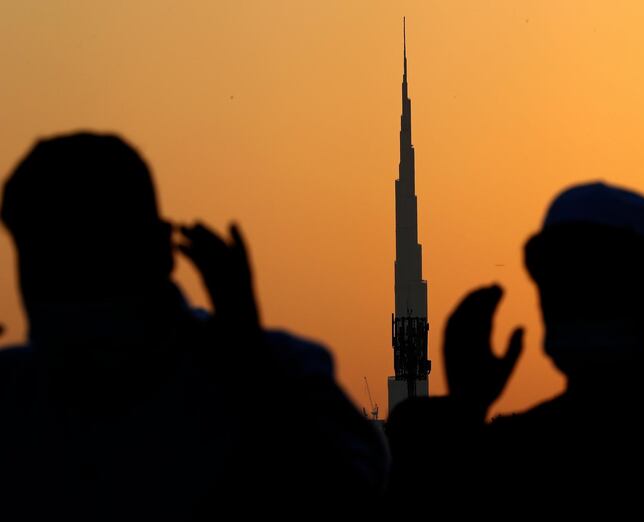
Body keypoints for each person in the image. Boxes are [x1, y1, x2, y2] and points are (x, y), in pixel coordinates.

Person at [0, 132, 387, 519]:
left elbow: (349, 498)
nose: (75, 291)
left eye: (97, 259)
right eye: (50, 262)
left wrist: (250, 362)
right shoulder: (15, 396)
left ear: (158, 250)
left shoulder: (272, 372)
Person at [386, 182, 644, 509]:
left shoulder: (510, 463)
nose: (580, 297)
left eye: (602, 279)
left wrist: (463, 412)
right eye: (565, 279)